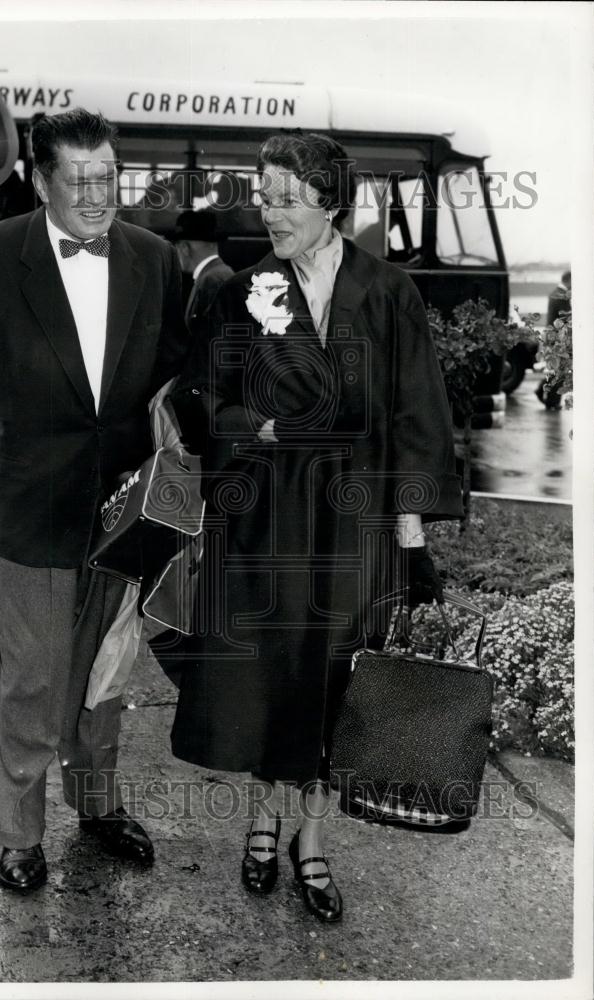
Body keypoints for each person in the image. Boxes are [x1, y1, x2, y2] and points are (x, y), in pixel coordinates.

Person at [164, 132, 463, 922]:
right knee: (272, 670)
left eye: (286, 197)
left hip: (357, 517)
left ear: (330, 200)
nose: (271, 212)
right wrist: (256, 432)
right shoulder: (241, 291)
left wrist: (411, 532)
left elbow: (416, 415)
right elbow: (208, 403)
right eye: (263, 196)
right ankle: (264, 823)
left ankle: (311, 841)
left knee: (337, 677)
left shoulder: (389, 290)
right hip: (270, 514)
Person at [0, 108, 188, 892]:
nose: (98, 196)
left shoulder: (154, 257)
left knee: (106, 674)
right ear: (38, 178)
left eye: (109, 178)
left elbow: (176, 374)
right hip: (33, 503)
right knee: (30, 676)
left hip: (127, 508)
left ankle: (97, 805)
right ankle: (20, 836)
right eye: (80, 181)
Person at [172, 209, 234, 340]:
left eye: (176, 247)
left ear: (184, 248)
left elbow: (216, 342)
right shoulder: (217, 275)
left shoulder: (212, 280)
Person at [536, 269, 571, 409]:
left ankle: (541, 391)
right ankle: (552, 402)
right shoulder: (561, 296)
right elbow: (565, 319)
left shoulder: (555, 293)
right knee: (561, 370)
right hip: (558, 338)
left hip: (551, 336)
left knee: (556, 370)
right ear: (569, 280)